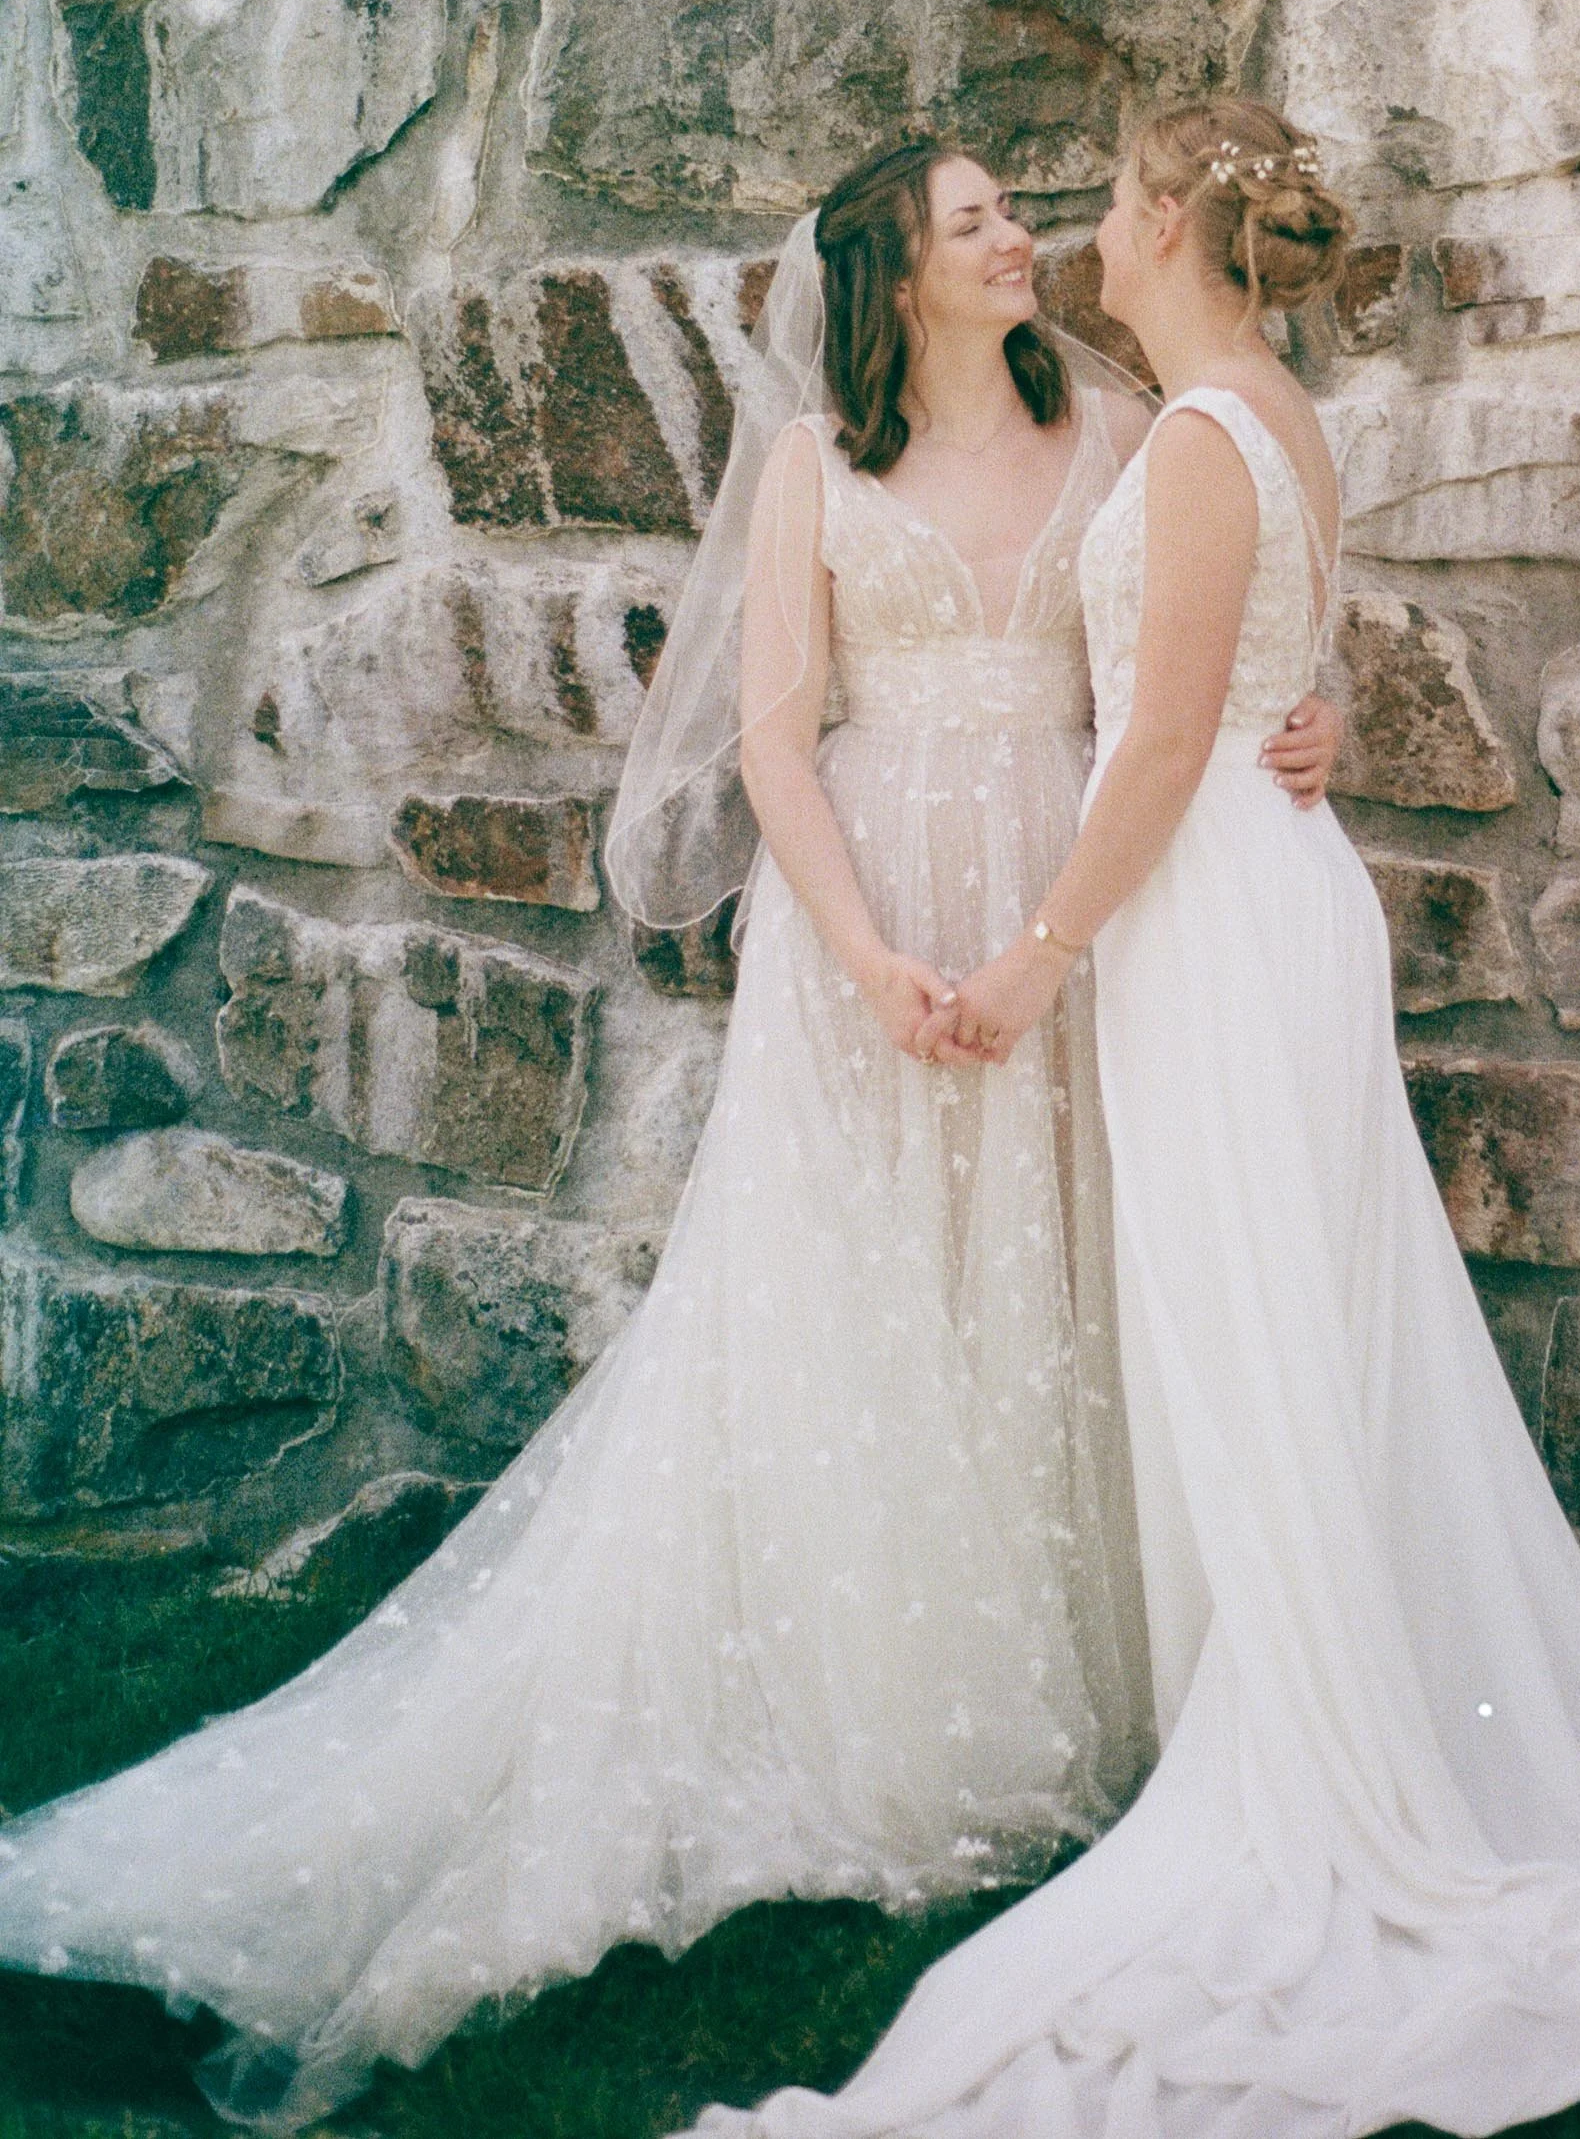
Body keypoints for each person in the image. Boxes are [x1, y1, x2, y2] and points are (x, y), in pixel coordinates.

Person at [699, 99, 1580, 2139]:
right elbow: (1248, 666)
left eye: (1091, 195)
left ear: (1165, 219)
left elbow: (1162, 728)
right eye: (998, 211)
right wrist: (1294, 725)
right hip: (1263, 899)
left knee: (1261, 1330)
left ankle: (1312, 1752)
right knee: (1301, 1328)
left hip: (1201, 919)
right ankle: (1298, 1690)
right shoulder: (1259, 409)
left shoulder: (1175, 436)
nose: (1063, 226)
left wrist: (1029, 961)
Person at [0, 134, 1343, 2132]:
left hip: (1070, 899)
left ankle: (1084, 1662)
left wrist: (1313, 708)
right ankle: (888, 1683)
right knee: (871, 1274)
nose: (1019, 234)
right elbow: (773, 735)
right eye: (974, 215)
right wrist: (869, 950)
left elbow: (1226, 613)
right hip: (871, 906)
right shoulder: (810, 464)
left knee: (1060, 1254)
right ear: (889, 275)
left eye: (1009, 208)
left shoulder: (1124, 423)